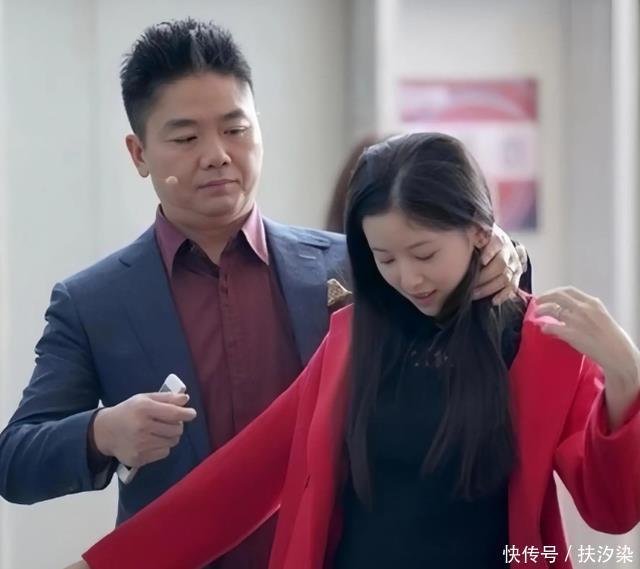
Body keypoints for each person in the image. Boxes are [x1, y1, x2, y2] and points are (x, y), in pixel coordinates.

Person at [0, 19, 528, 569]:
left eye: (235, 129)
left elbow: (468, 326)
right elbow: (14, 460)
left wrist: (501, 255)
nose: (217, 155)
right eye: (186, 138)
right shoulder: (94, 301)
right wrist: (101, 433)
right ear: (139, 154)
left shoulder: (360, 265)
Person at [69, 132, 640, 569]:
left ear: (478, 231)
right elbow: (239, 482)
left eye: (424, 253)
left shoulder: (542, 345)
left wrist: (626, 377)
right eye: (385, 259)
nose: (409, 279)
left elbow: (612, 509)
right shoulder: (351, 340)